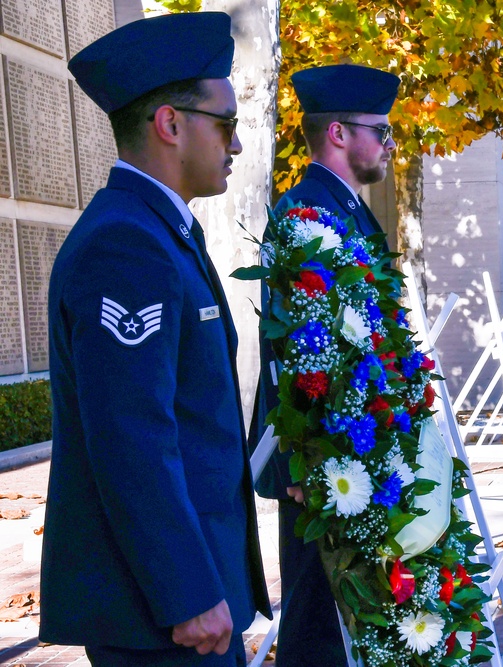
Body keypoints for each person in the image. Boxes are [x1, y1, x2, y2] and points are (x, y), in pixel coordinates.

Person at [40, 12, 270, 666]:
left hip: (181, 599)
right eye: (226, 124)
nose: (237, 145)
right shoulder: (126, 245)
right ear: (171, 124)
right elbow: (131, 437)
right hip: (162, 613)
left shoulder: (158, 232)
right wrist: (187, 593)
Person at [250, 63, 400, 666]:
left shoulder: (347, 209)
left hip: (355, 446)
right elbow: (288, 351)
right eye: (380, 132)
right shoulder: (304, 214)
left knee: (353, 614)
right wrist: (295, 459)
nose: (389, 145)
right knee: (317, 618)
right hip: (320, 457)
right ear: (338, 134)